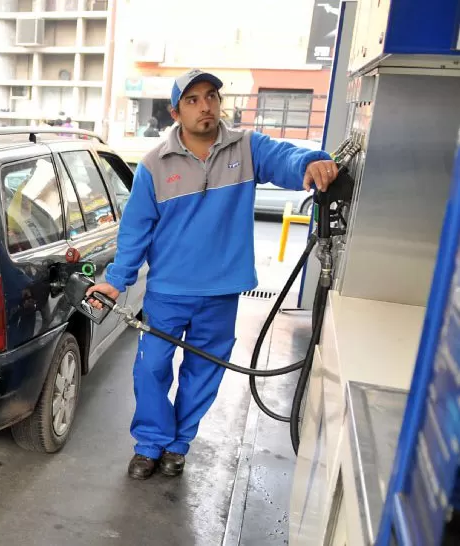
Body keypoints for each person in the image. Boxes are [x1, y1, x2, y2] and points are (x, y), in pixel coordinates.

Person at [86, 69, 338, 480]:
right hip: (167, 292)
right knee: (150, 370)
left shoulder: (247, 148)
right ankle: (148, 444)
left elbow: (288, 158)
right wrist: (117, 279)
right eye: (193, 99)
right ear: (175, 111)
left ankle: (176, 446)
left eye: (211, 96)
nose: (206, 106)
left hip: (220, 292)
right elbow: (135, 232)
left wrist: (313, 162)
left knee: (202, 374)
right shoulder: (154, 166)